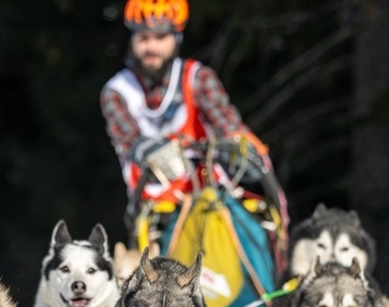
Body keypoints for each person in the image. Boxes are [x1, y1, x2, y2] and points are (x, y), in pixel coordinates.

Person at [100, 0, 273, 228]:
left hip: (213, 196)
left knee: (261, 236)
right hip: (156, 211)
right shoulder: (116, 91)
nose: (151, 47)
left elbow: (226, 123)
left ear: (176, 39)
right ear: (132, 41)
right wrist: (154, 152)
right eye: (143, 38)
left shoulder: (198, 78)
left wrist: (238, 149)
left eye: (161, 38)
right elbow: (129, 141)